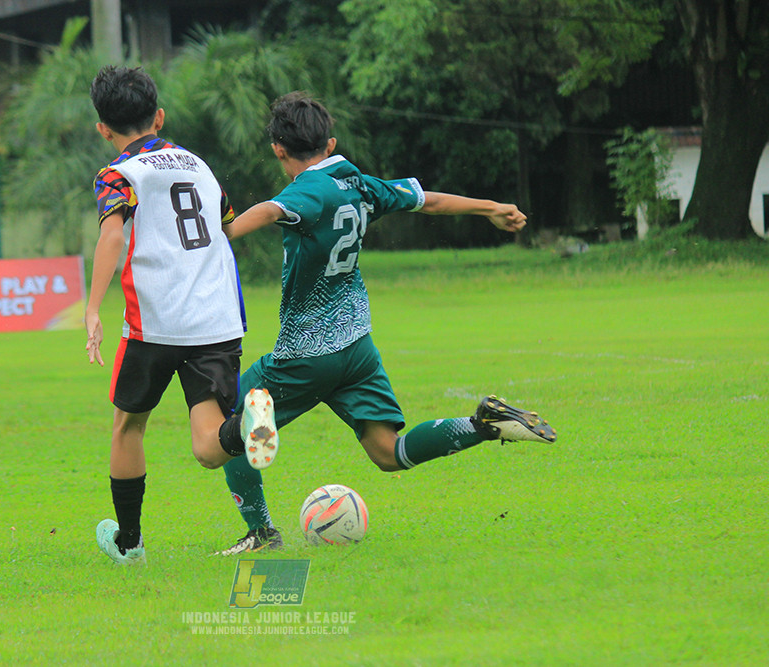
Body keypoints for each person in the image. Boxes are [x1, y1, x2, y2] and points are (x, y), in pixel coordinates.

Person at [216, 92, 558, 555]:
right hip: (356, 350)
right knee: (389, 452)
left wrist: (225, 232)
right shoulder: (359, 184)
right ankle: (484, 424)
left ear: (279, 150)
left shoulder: (304, 191)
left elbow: (273, 210)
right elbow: (428, 201)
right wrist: (491, 207)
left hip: (306, 355)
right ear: (331, 141)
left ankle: (261, 534)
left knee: (231, 418)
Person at [84, 66, 278, 565]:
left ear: (103, 128)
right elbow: (227, 227)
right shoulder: (199, 166)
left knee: (128, 427)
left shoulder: (118, 175)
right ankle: (249, 421)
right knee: (210, 447)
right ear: (160, 116)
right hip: (215, 320)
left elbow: (112, 235)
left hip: (154, 323)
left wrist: (91, 308)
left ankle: (129, 545)